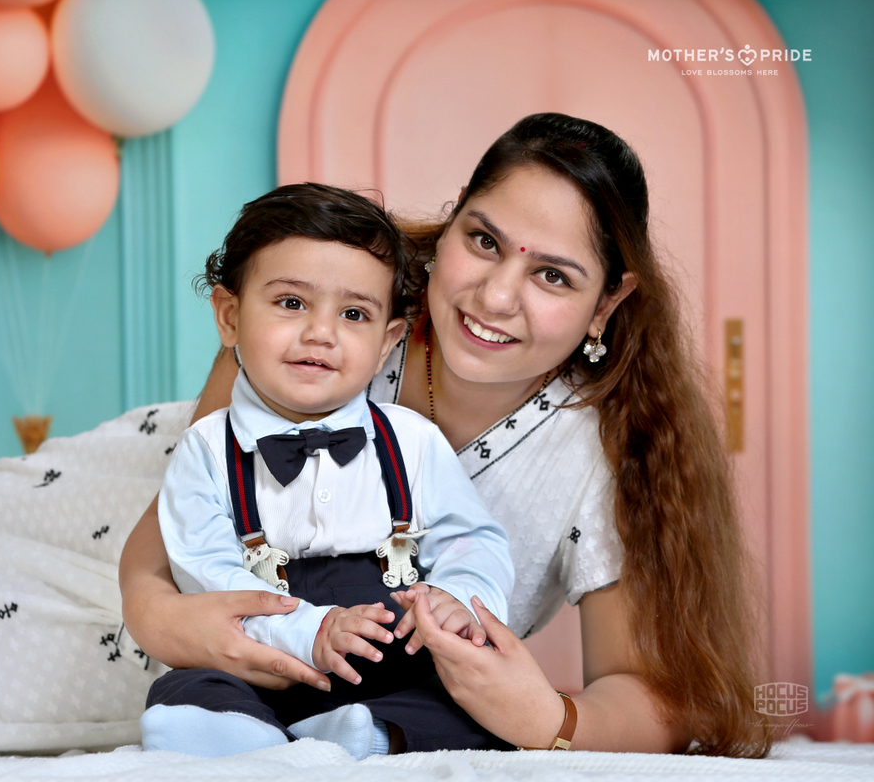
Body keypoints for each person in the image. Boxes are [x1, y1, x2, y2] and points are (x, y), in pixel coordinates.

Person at [120, 113, 772, 757]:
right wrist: (173, 624)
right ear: (453, 216)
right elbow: (156, 559)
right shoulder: (318, 320)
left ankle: (365, 738)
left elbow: (656, 698)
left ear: (607, 301)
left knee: (453, 720)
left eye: (553, 275)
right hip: (235, 638)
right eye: (484, 240)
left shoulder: (605, 450)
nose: (496, 297)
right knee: (189, 695)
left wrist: (543, 716)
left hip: (399, 681)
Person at [141, 184, 514, 758]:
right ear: (230, 316)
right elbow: (208, 576)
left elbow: (474, 539)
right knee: (186, 688)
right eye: (292, 303)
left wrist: (456, 597)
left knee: (475, 702)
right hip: (265, 654)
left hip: (386, 651)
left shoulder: (413, 440)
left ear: (387, 341)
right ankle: (242, 735)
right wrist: (308, 631)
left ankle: (365, 735)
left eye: (353, 314)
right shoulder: (206, 450)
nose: (321, 332)